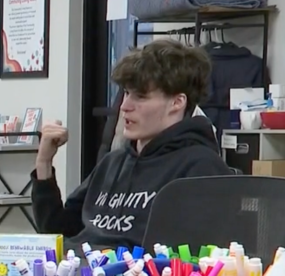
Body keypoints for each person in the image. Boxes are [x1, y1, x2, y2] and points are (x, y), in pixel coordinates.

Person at [31, 39, 233, 251]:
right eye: (126, 93)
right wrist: (44, 163)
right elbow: (58, 233)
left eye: (140, 97)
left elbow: (191, 258)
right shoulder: (113, 162)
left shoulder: (201, 167)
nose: (125, 106)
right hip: (81, 273)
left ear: (177, 102)